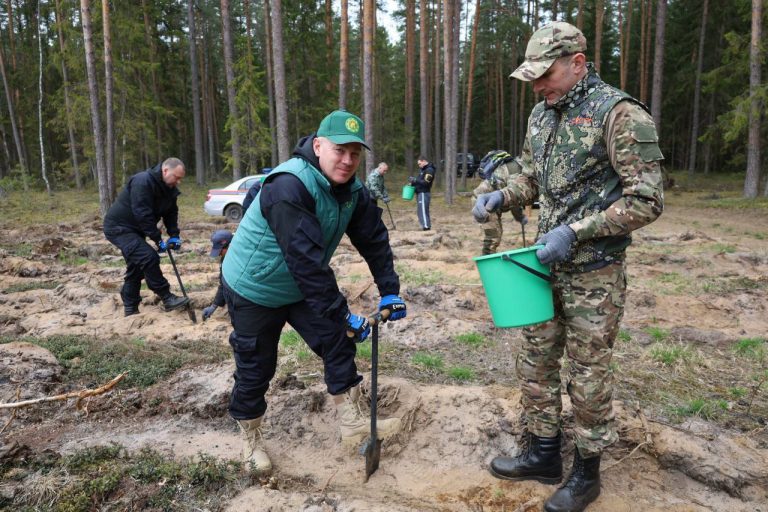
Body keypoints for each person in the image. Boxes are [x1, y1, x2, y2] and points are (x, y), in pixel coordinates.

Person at [473, 22, 664, 512]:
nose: (537, 85)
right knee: (535, 361)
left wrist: (575, 233)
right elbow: (534, 177)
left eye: (545, 74)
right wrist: (503, 195)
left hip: (593, 273)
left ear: (578, 63)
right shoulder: (542, 114)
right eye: (532, 77)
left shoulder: (620, 114)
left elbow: (646, 201)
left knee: (587, 373)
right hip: (540, 266)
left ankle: (586, 470)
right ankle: (541, 453)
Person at [221, 110, 407, 474]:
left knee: (337, 340)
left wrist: (389, 290)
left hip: (301, 285)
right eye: (340, 150)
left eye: (356, 153)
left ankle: (352, 422)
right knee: (256, 366)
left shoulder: (352, 191)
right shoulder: (289, 186)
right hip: (254, 287)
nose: (348, 160)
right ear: (318, 145)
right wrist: (341, 311)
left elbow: (374, 240)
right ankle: (250, 438)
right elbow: (305, 262)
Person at [103, 158, 191, 316]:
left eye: (180, 178)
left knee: (136, 266)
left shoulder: (169, 188)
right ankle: (166, 296)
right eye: (176, 177)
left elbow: (171, 212)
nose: (178, 182)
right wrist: (157, 239)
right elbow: (142, 213)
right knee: (148, 257)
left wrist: (174, 235)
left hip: (136, 230)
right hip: (119, 228)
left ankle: (130, 308)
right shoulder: (142, 181)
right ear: (165, 171)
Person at [472, 151, 529, 255]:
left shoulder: (515, 167)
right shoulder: (516, 171)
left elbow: (512, 199)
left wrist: (519, 216)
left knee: (494, 235)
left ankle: (489, 261)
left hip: (491, 198)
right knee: (493, 237)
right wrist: (520, 217)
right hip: (483, 200)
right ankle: (487, 264)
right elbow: (514, 197)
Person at [202, 229, 233, 321]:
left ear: (229, 246)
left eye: (220, 250)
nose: (219, 254)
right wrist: (214, 306)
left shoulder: (245, 257)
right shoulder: (225, 260)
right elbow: (223, 282)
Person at [411, 156, 435, 230]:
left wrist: (415, 180)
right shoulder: (422, 170)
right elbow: (419, 181)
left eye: (419, 163)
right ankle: (425, 225)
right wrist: (413, 183)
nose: (419, 165)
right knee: (421, 210)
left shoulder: (429, 170)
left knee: (423, 210)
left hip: (424, 193)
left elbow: (426, 183)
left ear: (424, 161)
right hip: (419, 192)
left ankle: (426, 227)